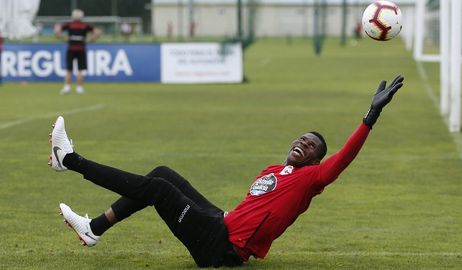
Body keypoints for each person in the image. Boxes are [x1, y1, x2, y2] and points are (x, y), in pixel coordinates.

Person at [48, 75, 404, 267]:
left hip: (223, 250)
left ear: (315, 161)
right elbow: (253, 210)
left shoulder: (311, 179)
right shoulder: (274, 169)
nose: (303, 143)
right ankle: (94, 228)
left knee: (159, 189)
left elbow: (342, 159)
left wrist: (370, 117)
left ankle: (71, 160)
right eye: (301, 138)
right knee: (163, 173)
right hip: (221, 223)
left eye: (311, 146)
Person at [54, 9, 101, 95]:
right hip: (81, 49)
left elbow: (57, 32)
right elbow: (97, 32)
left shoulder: (69, 25)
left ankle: (67, 87)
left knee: (69, 70)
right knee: (80, 70)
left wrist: (64, 39)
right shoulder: (85, 26)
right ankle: (79, 88)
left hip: (71, 49)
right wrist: (90, 40)